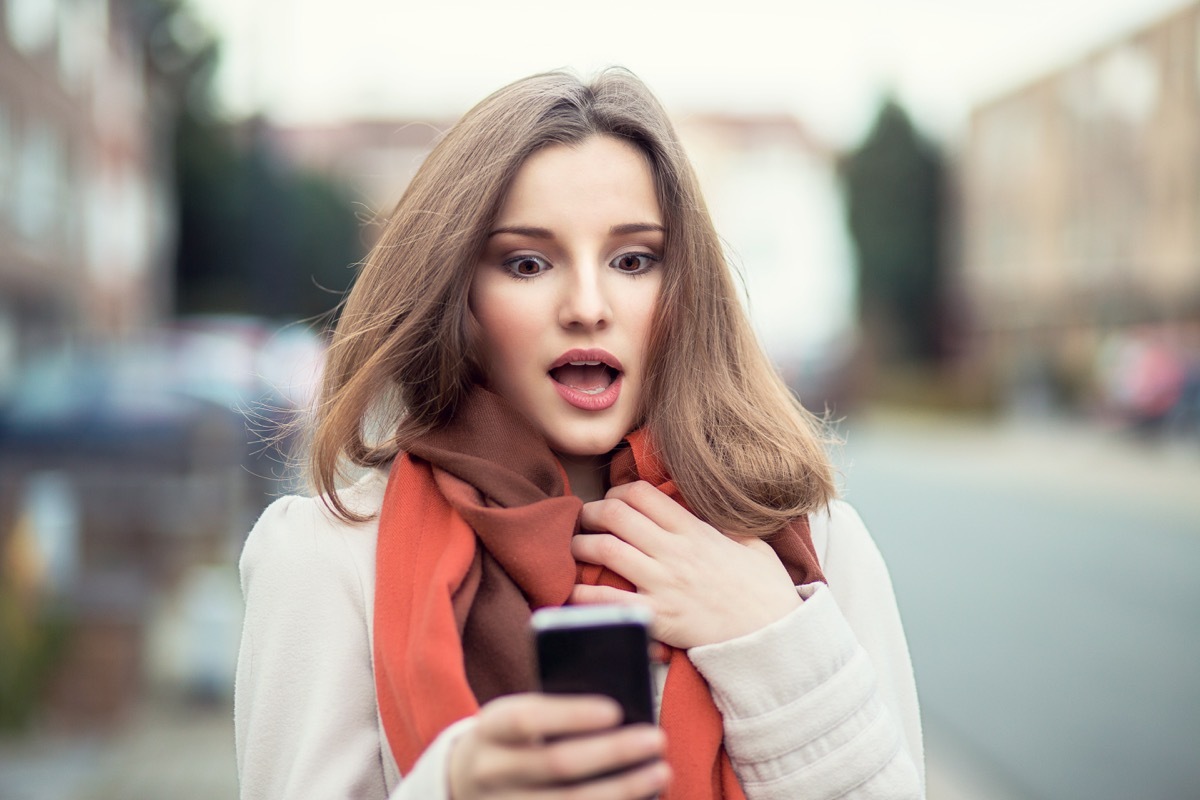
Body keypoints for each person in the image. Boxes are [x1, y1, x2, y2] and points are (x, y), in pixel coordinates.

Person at [234, 68, 925, 800]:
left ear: (684, 286)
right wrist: (454, 785)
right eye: (527, 263)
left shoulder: (817, 549)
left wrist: (770, 639)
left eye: (633, 260)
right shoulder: (328, 559)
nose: (588, 306)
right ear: (459, 295)